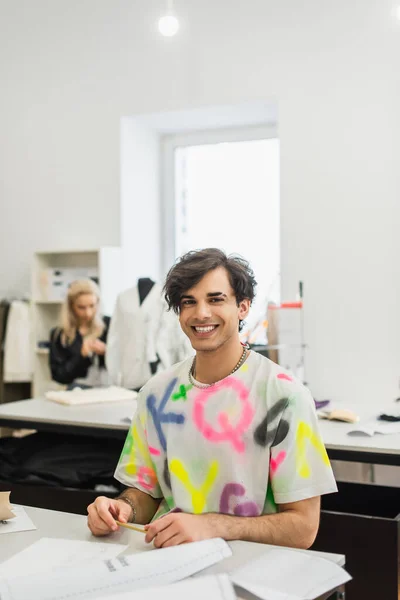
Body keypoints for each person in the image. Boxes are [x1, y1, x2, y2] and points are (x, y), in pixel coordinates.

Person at [87, 249, 337, 549]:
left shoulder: (284, 396)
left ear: (243, 307)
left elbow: (303, 528)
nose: (201, 313)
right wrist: (122, 507)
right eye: (188, 302)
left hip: (252, 567)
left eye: (215, 299)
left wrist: (212, 525)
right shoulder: (155, 394)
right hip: (166, 560)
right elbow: (145, 494)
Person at [49, 279, 110, 388]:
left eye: (92, 306)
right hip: (76, 392)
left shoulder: (109, 326)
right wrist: (81, 356)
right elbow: (59, 376)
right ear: (71, 306)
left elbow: (124, 364)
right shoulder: (59, 335)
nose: (88, 313)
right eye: (81, 307)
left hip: (109, 389)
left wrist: (108, 352)